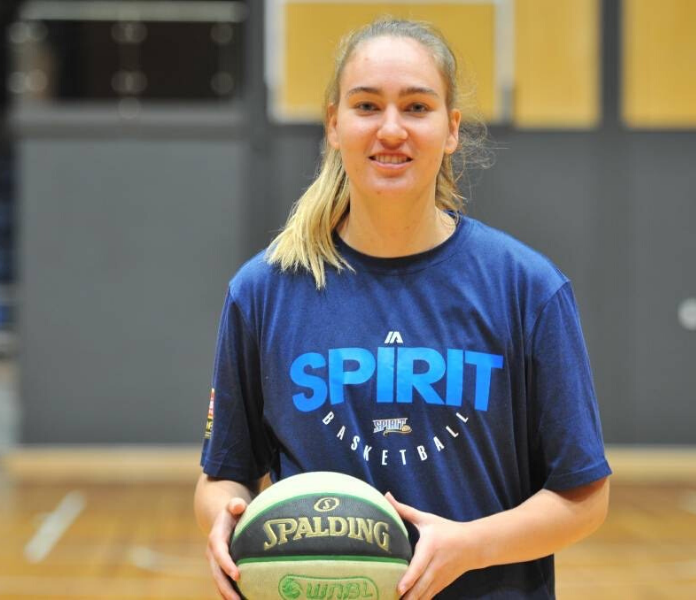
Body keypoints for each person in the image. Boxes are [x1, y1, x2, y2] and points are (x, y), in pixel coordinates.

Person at [195, 18, 611, 600]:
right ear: (334, 124)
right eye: (367, 106)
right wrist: (222, 521)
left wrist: (471, 545)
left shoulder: (528, 289)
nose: (391, 129)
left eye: (417, 107)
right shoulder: (263, 292)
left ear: (452, 129)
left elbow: (584, 498)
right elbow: (223, 474)